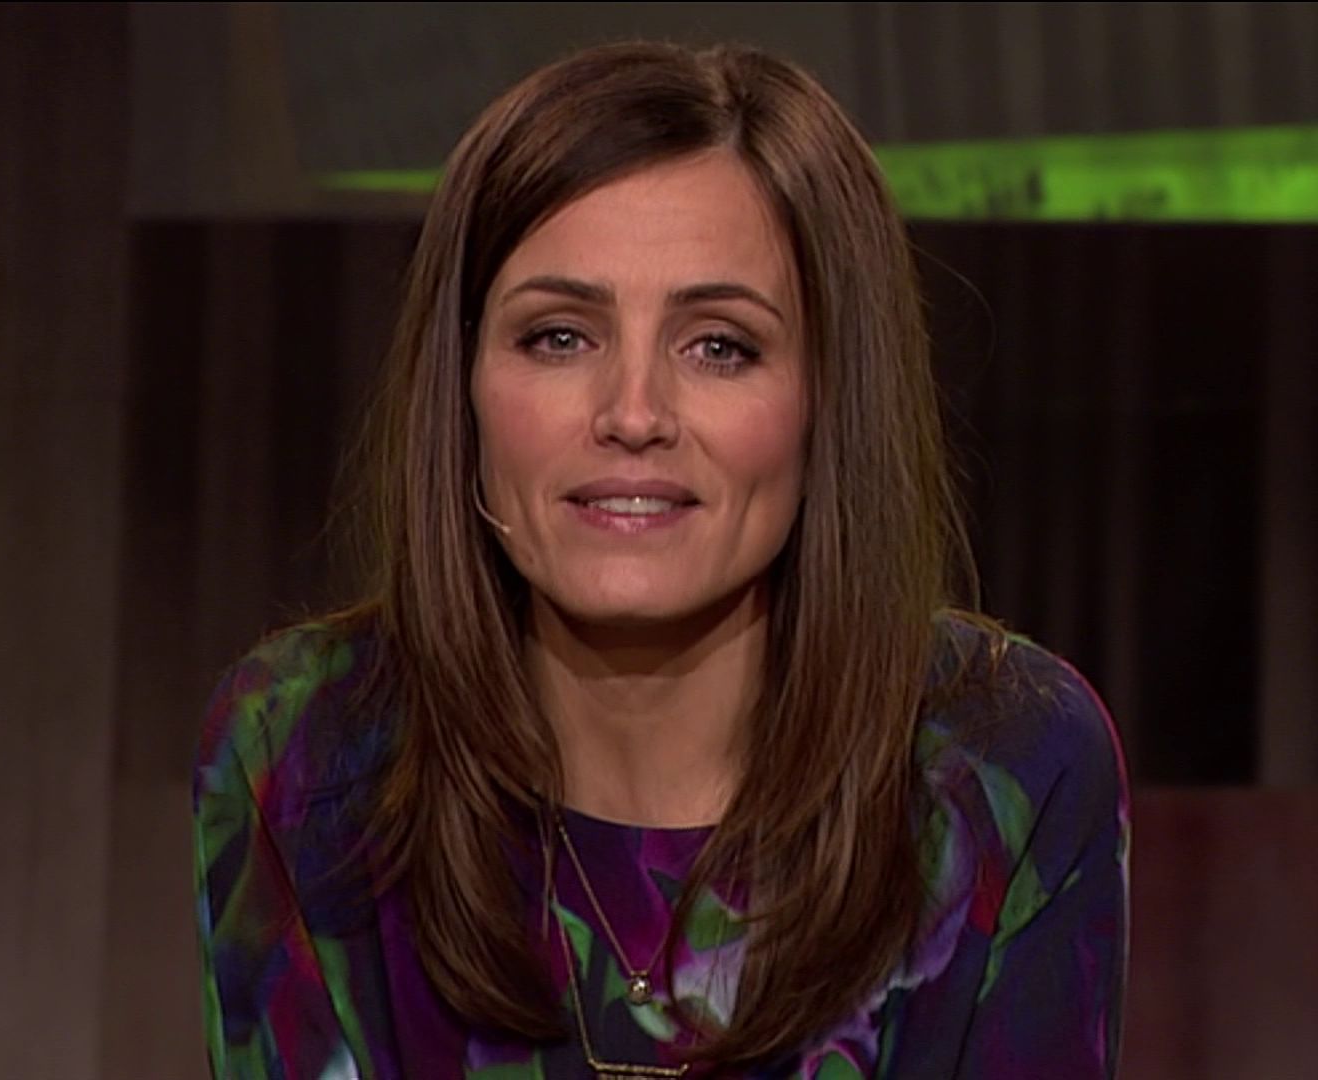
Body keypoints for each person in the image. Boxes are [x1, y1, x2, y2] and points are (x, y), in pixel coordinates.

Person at [192, 39, 1129, 1079]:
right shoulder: (307, 750)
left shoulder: (1005, 767)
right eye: (559, 337)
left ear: (829, 400)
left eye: (720, 345)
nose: (633, 414)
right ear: (461, 387)